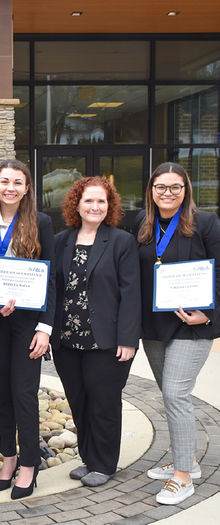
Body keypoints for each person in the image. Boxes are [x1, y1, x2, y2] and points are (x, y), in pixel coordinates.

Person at [135, 162, 220, 505]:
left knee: (175, 393)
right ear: (151, 191)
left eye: (175, 187)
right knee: (169, 394)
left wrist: (209, 314)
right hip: (153, 326)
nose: (167, 193)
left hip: (192, 325)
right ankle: (189, 459)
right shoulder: (141, 224)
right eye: (161, 187)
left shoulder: (207, 223)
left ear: (186, 191)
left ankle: (182, 477)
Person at [52, 176, 140, 488]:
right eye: (88, 200)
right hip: (66, 340)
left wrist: (129, 339)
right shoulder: (61, 240)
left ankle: (104, 464)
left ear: (110, 205)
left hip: (106, 340)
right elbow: (53, 288)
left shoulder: (120, 242)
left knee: (103, 402)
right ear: (76, 204)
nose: (94, 206)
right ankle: (89, 458)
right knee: (79, 401)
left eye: (101, 201)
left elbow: (131, 294)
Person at [0, 159, 55, 499]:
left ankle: (29, 464)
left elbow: (52, 278)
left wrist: (45, 327)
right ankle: (8, 457)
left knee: (24, 393)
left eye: (17, 182)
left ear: (26, 189)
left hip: (28, 323)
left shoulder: (42, 223)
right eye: (4, 181)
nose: (10, 188)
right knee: (2, 392)